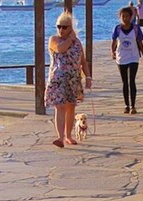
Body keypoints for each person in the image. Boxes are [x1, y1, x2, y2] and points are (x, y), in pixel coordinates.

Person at [46, 13, 86, 148]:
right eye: (59, 27)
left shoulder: (77, 43)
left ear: (71, 28)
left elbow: (83, 61)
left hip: (73, 79)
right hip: (58, 79)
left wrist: (89, 76)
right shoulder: (54, 39)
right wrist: (69, 39)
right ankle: (60, 137)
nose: (61, 30)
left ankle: (68, 135)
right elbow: (61, 49)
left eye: (65, 27)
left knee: (71, 107)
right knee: (60, 106)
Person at [112, 6, 143, 114]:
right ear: (120, 17)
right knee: (124, 82)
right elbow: (114, 42)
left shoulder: (136, 28)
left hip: (133, 57)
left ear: (131, 17)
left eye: (127, 16)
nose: (125, 18)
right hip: (121, 57)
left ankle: (133, 106)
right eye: (123, 16)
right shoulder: (117, 29)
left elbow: (140, 43)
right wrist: (112, 52)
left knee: (131, 81)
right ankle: (126, 105)